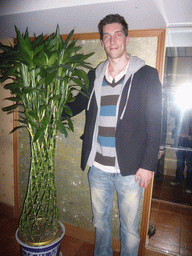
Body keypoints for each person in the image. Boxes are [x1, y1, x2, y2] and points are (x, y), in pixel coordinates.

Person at [65, 14, 162, 256]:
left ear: (127, 39)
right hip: (98, 167)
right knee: (100, 224)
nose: (112, 40)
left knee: (129, 229)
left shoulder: (147, 75)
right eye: (107, 36)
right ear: (102, 42)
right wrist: (48, 113)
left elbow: (155, 122)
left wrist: (148, 165)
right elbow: (76, 105)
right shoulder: (94, 76)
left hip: (130, 170)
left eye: (117, 34)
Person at [170, 109, 192, 193]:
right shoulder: (180, 110)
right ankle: (179, 178)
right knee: (179, 162)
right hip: (180, 140)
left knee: (190, 164)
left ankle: (189, 184)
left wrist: (189, 136)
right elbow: (173, 117)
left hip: (190, 141)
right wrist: (176, 134)